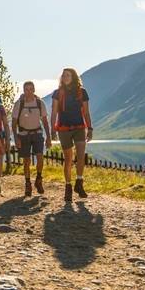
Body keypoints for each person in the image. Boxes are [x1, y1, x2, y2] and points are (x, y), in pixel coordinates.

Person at [51, 67, 93, 202]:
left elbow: (86, 112)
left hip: (79, 127)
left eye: (68, 75)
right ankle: (68, 186)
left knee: (81, 156)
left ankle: (79, 183)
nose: (65, 77)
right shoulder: (57, 93)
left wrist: (90, 128)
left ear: (74, 77)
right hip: (63, 128)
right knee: (68, 159)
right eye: (63, 75)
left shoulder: (82, 92)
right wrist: (53, 129)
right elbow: (54, 112)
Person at [12, 81, 52, 197]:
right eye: (26, 89)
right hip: (23, 134)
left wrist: (49, 137)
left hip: (37, 133)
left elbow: (45, 121)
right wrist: (16, 138)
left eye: (31, 89)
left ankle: (39, 179)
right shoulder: (19, 104)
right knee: (26, 161)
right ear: (24, 90)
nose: (29, 92)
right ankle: (28, 183)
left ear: (34, 90)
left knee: (40, 157)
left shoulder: (40, 103)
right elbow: (14, 123)